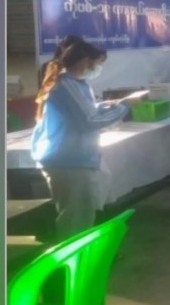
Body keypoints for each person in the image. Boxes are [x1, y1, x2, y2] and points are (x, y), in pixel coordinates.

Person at [31, 41, 136, 239]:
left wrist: (109, 105)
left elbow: (86, 111)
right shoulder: (66, 85)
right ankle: (71, 257)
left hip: (77, 159)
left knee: (82, 215)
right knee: (75, 219)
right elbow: (89, 121)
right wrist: (124, 107)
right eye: (98, 62)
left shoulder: (78, 84)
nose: (99, 67)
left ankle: (78, 254)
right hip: (68, 161)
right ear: (85, 61)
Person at [35, 35, 86, 121]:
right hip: (55, 110)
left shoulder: (76, 66)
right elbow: (46, 91)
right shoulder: (54, 66)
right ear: (63, 48)